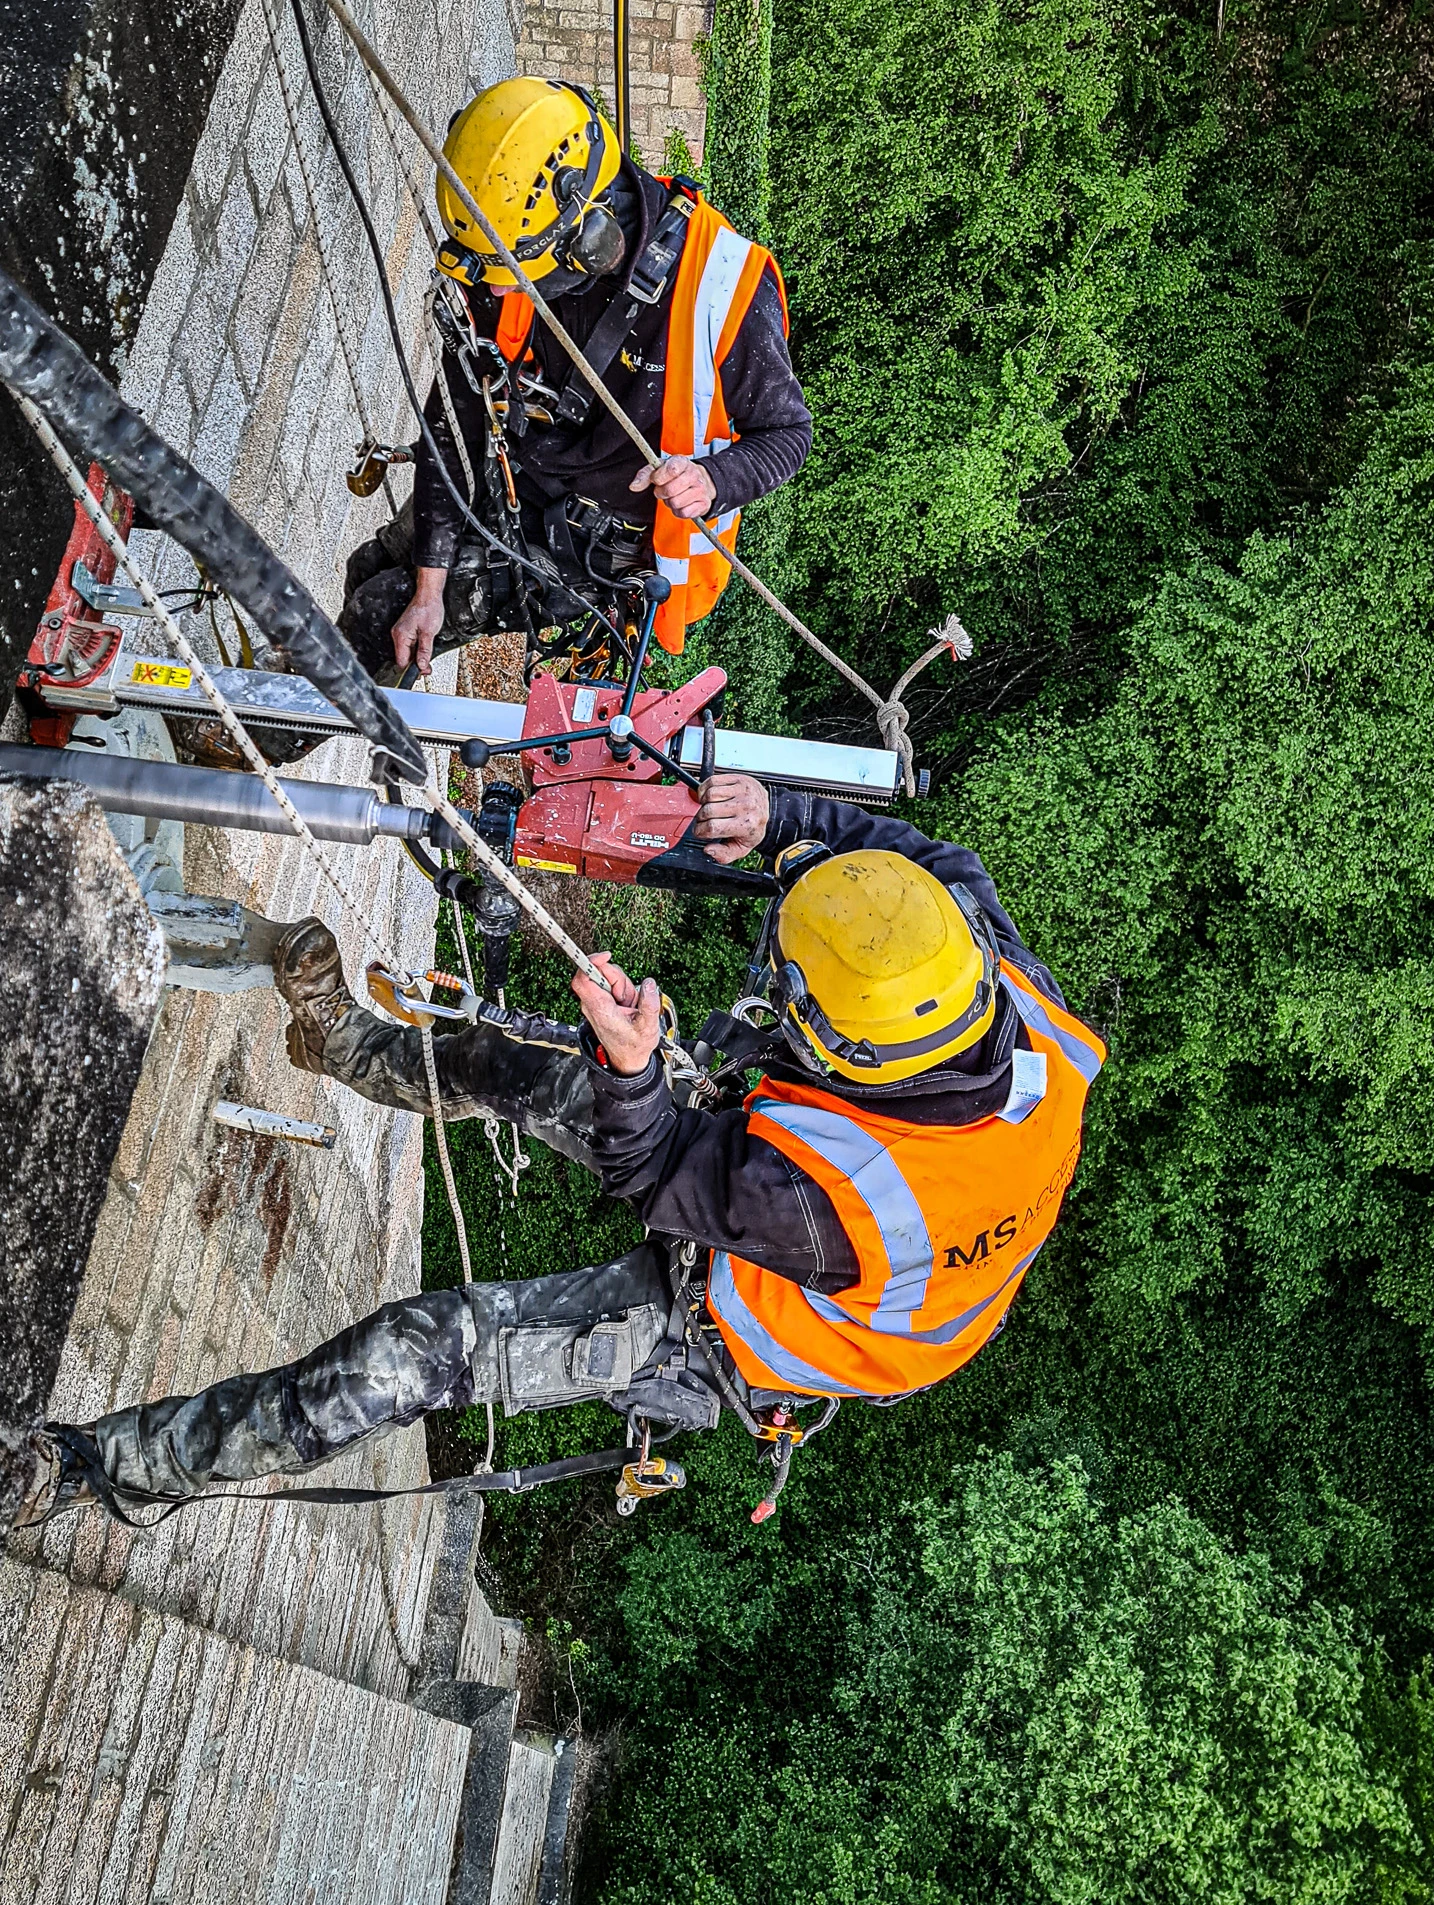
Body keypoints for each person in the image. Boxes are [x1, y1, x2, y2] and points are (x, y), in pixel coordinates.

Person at [16, 774, 1105, 1527]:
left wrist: (637, 1070)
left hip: (734, 1322)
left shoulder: (841, 1200)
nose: (770, 999)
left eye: (788, 1002)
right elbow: (920, 859)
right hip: (821, 1198)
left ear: (848, 1051)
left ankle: (84, 1469)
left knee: (410, 1352)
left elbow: (659, 1173)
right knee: (523, 1064)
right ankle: (347, 1043)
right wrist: (788, 817)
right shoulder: (972, 960)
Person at [339, 77, 812, 679]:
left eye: (514, 273)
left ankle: (248, 742)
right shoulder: (508, 239)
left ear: (594, 242)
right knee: (375, 568)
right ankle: (329, 700)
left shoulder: (721, 288)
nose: (497, 288)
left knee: (379, 618)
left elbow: (788, 433)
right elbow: (456, 413)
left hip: (594, 537)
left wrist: (713, 480)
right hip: (515, 472)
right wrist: (429, 582)